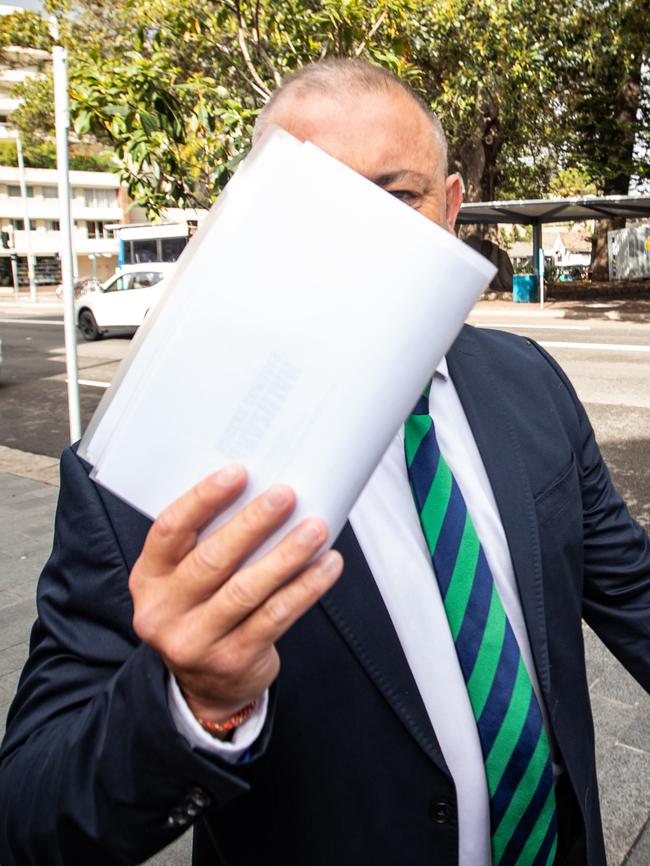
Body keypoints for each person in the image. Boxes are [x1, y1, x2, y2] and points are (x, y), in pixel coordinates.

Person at [1, 58, 650, 866]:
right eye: (316, 202)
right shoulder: (138, 480)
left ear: (450, 208)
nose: (361, 240)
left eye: (396, 195)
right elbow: (28, 816)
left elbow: (633, 589)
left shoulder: (528, 381)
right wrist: (190, 702)